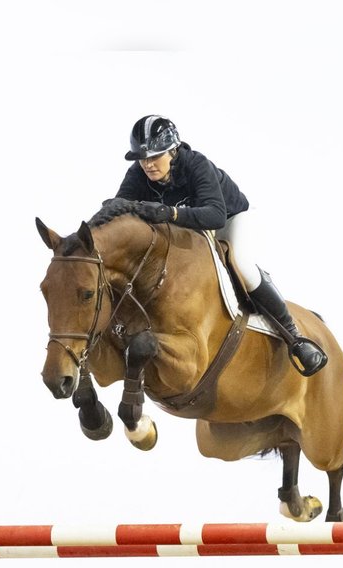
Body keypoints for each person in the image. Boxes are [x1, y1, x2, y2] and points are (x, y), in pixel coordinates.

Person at [112, 115, 327, 376]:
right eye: (142, 158)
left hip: (230, 218)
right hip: (187, 229)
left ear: (172, 150)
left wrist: (169, 213)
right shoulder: (138, 173)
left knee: (242, 265)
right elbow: (119, 207)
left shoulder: (196, 165)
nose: (148, 164)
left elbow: (215, 215)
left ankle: (295, 338)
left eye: (155, 156)